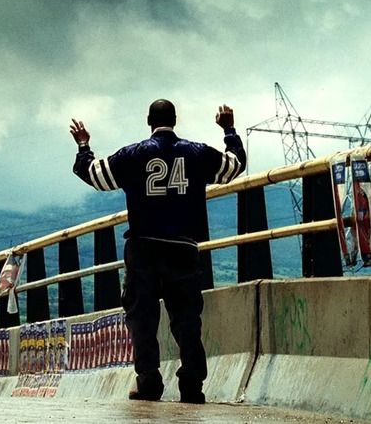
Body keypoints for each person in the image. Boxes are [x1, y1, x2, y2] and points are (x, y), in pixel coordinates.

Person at [69, 99, 246, 404]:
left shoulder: (132, 155)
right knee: (187, 318)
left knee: (142, 318)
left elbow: (93, 174)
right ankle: (192, 386)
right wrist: (229, 129)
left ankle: (148, 382)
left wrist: (84, 146)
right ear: (175, 120)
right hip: (183, 247)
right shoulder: (197, 153)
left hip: (143, 248)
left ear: (148, 121)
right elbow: (234, 166)